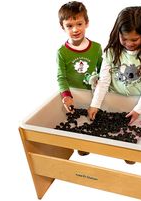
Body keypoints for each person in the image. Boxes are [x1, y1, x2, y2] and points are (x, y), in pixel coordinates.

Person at [88, 6, 141, 126]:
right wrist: (95, 105)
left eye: (134, 40)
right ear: (118, 33)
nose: (128, 44)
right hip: (111, 102)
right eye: (124, 38)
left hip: (136, 104)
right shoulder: (111, 52)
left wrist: (138, 110)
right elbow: (104, 81)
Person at [57, 1, 102, 155]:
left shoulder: (96, 47)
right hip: (73, 95)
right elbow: (60, 77)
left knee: (94, 121)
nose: (75, 29)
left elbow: (102, 70)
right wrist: (66, 96)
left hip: (91, 94)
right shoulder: (62, 52)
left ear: (86, 23)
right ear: (62, 27)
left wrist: (99, 82)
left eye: (79, 24)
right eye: (69, 25)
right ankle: (81, 147)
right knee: (77, 123)